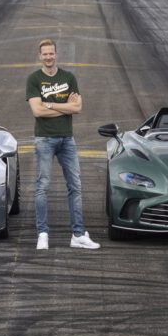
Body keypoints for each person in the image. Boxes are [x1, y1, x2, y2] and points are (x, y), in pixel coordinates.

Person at [25, 38, 100, 250]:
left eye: (51, 53)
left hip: (67, 139)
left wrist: (49, 102)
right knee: (42, 186)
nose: (48, 57)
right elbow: (37, 111)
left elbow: (78, 108)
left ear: (56, 54)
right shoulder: (34, 79)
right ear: (40, 56)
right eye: (45, 54)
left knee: (75, 186)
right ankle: (42, 234)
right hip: (44, 139)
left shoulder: (68, 77)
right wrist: (65, 105)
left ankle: (78, 234)